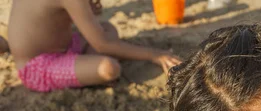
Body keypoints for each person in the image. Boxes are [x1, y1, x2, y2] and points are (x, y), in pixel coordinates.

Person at [7, 0, 181, 92]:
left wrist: (87, 9)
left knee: (108, 29)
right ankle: (89, 68)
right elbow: (102, 44)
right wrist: (155, 55)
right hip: (36, 66)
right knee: (109, 68)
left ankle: (87, 64)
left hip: (65, 44)